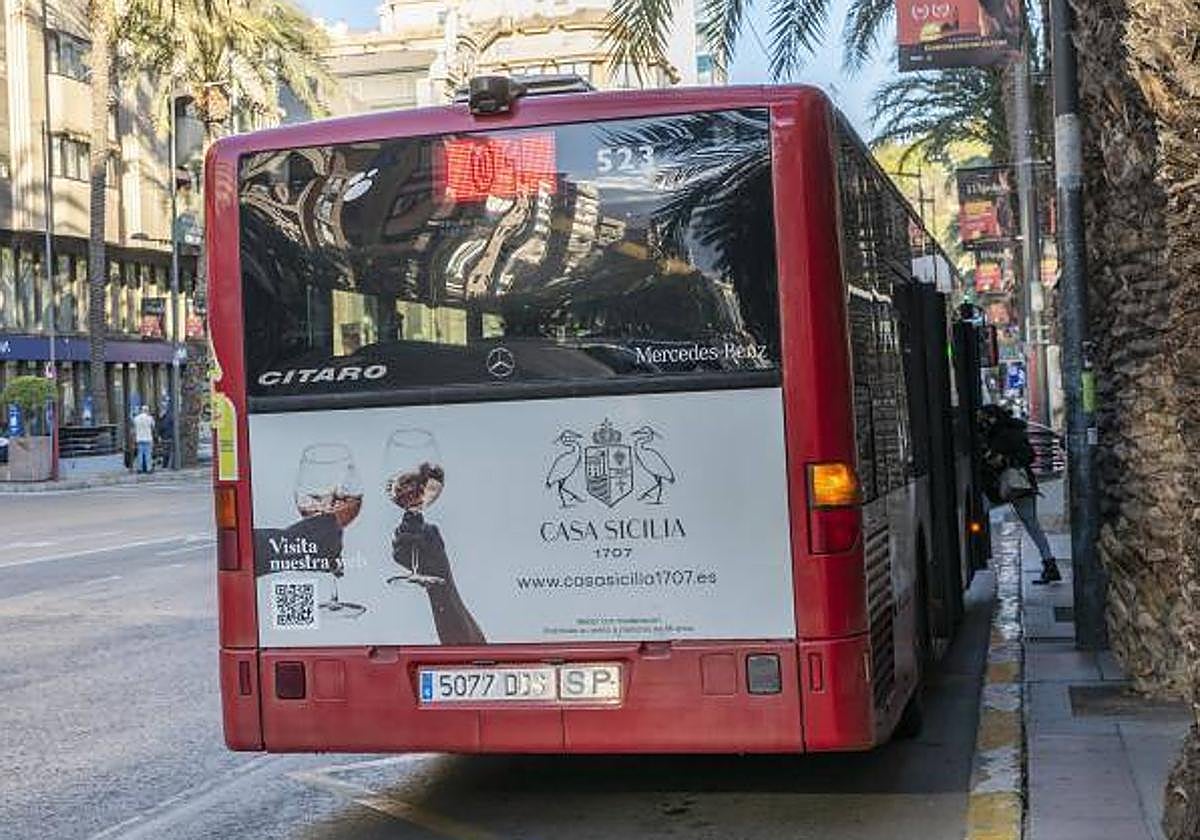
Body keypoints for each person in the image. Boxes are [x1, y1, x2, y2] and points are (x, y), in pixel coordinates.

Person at [978, 404, 1062, 584]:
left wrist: (1004, 460)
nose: (982, 422)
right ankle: (1049, 563)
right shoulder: (1000, 433)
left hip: (1014, 486)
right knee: (1032, 525)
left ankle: (1049, 564)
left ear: (992, 418)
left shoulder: (1008, 434)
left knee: (1031, 524)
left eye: (984, 418)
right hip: (1009, 487)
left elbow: (1029, 455)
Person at [133, 405, 155, 474]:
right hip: (148, 438)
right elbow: (153, 426)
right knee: (148, 454)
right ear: (147, 410)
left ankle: (140, 468)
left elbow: (134, 427)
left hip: (139, 438)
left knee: (140, 454)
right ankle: (148, 468)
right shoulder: (149, 418)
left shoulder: (136, 418)